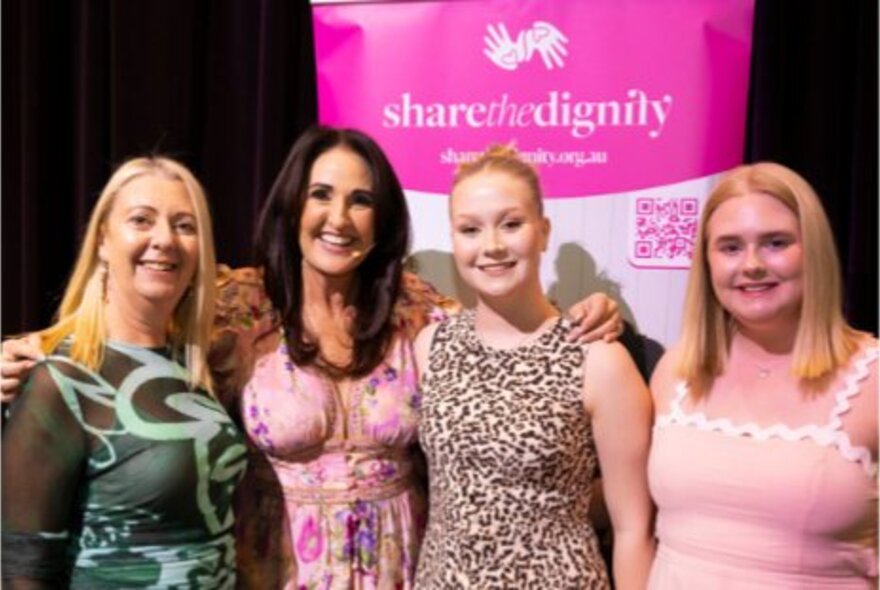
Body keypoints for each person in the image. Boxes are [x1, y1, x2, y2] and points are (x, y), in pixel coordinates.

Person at [1, 127, 621, 589]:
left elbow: (503, 331)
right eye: (321, 194)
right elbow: (129, 324)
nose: (339, 217)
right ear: (294, 205)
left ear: (382, 222)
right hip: (274, 571)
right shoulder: (235, 309)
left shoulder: (415, 314)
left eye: (361, 200)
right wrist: (29, 351)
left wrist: (582, 313)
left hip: (400, 571)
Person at [413, 145, 655, 589]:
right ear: (454, 241)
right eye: (470, 229)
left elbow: (633, 528)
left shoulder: (597, 358)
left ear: (543, 233)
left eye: (511, 224)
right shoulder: (431, 345)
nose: (492, 246)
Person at [1, 157, 247, 588]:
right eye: (141, 220)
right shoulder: (59, 379)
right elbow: (23, 569)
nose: (164, 240)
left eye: (185, 226)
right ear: (102, 241)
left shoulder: (195, 365)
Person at [647, 162, 878, 588]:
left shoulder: (873, 380)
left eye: (775, 243)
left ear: (814, 250)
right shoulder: (674, 372)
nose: (752, 265)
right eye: (730, 247)